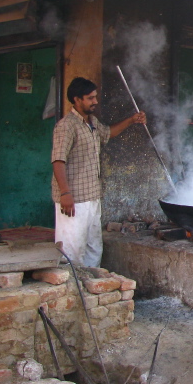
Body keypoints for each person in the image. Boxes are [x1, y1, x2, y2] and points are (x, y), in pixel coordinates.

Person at [51, 77, 146, 267]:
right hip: (74, 199)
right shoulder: (67, 126)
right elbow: (58, 160)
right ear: (77, 100)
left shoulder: (92, 122)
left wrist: (131, 120)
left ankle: (92, 286)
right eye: (90, 98)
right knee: (72, 249)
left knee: (93, 246)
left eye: (95, 97)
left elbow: (108, 133)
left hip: (92, 196)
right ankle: (72, 288)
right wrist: (65, 193)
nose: (95, 101)